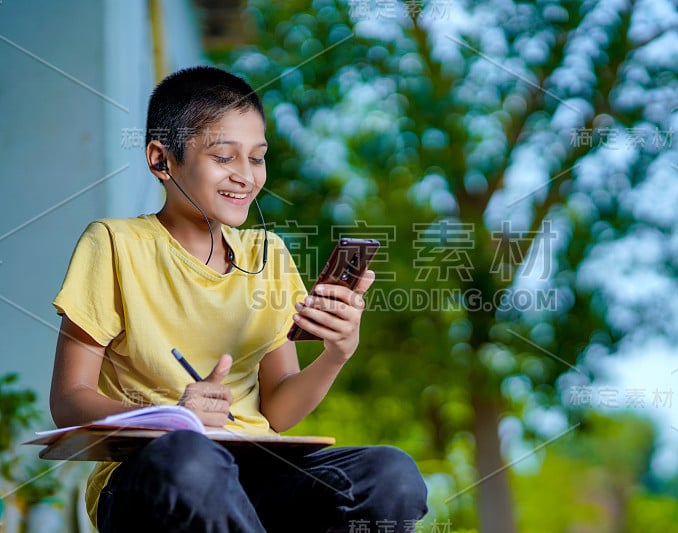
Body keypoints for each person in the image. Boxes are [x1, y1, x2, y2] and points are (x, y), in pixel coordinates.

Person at [49, 65, 428, 532]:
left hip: (257, 471)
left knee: (389, 475)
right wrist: (173, 418)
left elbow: (278, 411)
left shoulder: (268, 254)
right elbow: (69, 400)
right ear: (161, 159)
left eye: (257, 157)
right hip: (155, 474)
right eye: (225, 157)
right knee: (191, 460)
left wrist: (336, 354)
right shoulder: (114, 244)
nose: (246, 176)